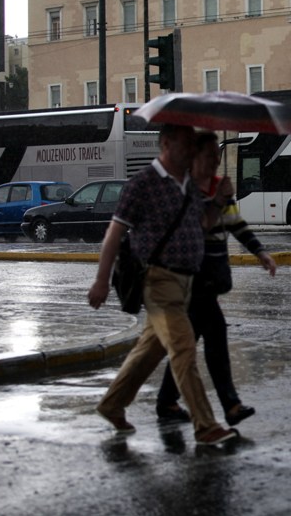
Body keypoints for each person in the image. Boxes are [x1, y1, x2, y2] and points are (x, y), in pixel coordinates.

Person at [88, 123, 237, 446]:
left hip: (185, 282)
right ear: (167, 145)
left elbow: (202, 224)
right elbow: (114, 233)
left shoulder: (186, 184)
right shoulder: (142, 184)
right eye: (187, 145)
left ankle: (112, 405)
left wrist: (219, 202)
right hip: (158, 281)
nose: (192, 152)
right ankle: (206, 424)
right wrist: (100, 281)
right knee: (183, 347)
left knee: (148, 351)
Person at [156, 132, 277, 427]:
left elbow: (235, 224)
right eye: (210, 156)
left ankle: (167, 401)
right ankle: (230, 405)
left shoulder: (218, 187)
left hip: (211, 277)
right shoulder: (182, 189)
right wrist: (218, 200)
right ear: (195, 157)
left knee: (190, 344)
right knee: (215, 340)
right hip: (190, 280)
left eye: (217, 157)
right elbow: (196, 228)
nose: (215, 162)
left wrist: (260, 252)